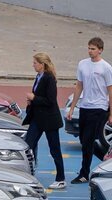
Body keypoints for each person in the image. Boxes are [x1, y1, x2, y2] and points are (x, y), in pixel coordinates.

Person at [67, 37, 112, 184]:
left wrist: (111, 113)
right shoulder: (82, 64)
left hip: (99, 107)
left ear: (100, 50)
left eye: (93, 49)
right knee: (84, 140)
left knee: (87, 141)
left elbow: (110, 91)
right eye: (89, 48)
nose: (90, 51)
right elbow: (79, 86)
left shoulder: (106, 67)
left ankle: (84, 173)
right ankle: (108, 159)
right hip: (85, 107)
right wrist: (72, 108)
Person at [22, 52, 66, 189]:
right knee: (28, 145)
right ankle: (29, 174)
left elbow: (50, 100)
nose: (33, 65)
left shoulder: (49, 78)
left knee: (55, 149)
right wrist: (31, 101)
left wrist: (34, 98)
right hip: (37, 118)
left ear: (42, 64)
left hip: (49, 120)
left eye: (35, 63)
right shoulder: (39, 76)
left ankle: (61, 178)